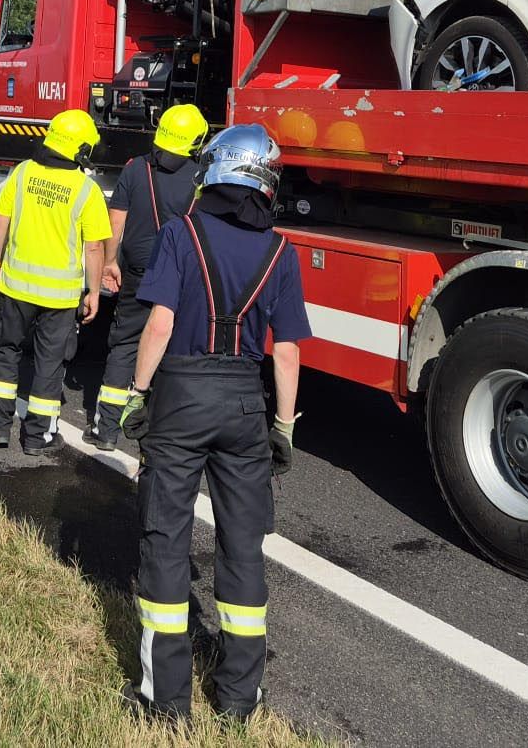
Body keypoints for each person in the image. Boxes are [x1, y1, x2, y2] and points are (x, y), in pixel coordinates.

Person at [120, 123, 310, 726]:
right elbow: (286, 351)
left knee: (166, 540)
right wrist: (283, 425)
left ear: (216, 171)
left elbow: (159, 324)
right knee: (242, 545)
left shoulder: (182, 233)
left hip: (179, 398)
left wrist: (137, 393)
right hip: (245, 406)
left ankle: (165, 702)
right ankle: (238, 698)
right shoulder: (281, 252)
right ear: (263, 182)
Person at [0, 109, 110, 455]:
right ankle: (38, 436)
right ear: (80, 149)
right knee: (50, 364)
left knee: (5, 353)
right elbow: (93, 247)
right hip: (59, 297)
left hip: (16, 286)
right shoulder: (86, 189)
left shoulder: (22, 174)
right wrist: (94, 292)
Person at [91, 103, 208, 449]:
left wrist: (110, 262)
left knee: (124, 347)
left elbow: (116, 222)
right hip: (182, 278)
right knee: (173, 350)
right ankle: (159, 432)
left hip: (139, 273)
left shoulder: (135, 169)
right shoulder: (201, 178)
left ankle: (106, 430)